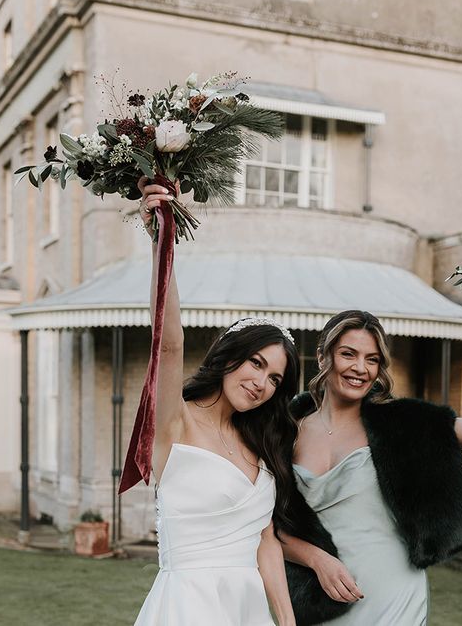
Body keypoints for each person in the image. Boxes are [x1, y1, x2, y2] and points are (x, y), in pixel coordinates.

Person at [278, 301, 462, 625]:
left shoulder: (401, 425)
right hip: (321, 596)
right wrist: (315, 560)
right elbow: (266, 529)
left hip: (394, 593)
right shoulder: (285, 431)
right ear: (323, 355)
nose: (360, 368)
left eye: (372, 360)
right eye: (348, 354)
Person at [132, 179, 298, 626]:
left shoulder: (260, 445)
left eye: (275, 378)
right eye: (256, 363)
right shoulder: (176, 423)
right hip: (189, 608)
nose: (262, 382)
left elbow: (265, 540)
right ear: (229, 358)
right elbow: (167, 344)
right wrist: (160, 241)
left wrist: (286, 621)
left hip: (246, 610)